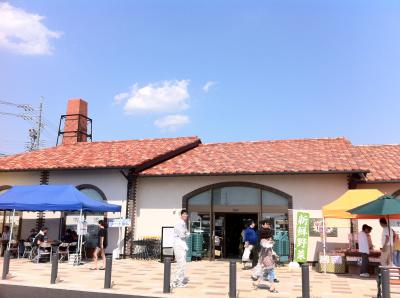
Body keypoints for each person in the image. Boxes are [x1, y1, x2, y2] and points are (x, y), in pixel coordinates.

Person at [172, 209, 190, 288]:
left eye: (186, 214)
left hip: (181, 245)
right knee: (181, 264)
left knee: (181, 264)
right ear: (181, 215)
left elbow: (185, 232)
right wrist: (187, 234)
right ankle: (177, 282)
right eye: (184, 214)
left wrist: (186, 233)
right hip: (179, 245)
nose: (186, 216)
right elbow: (183, 235)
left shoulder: (183, 223)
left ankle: (177, 281)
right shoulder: (179, 223)